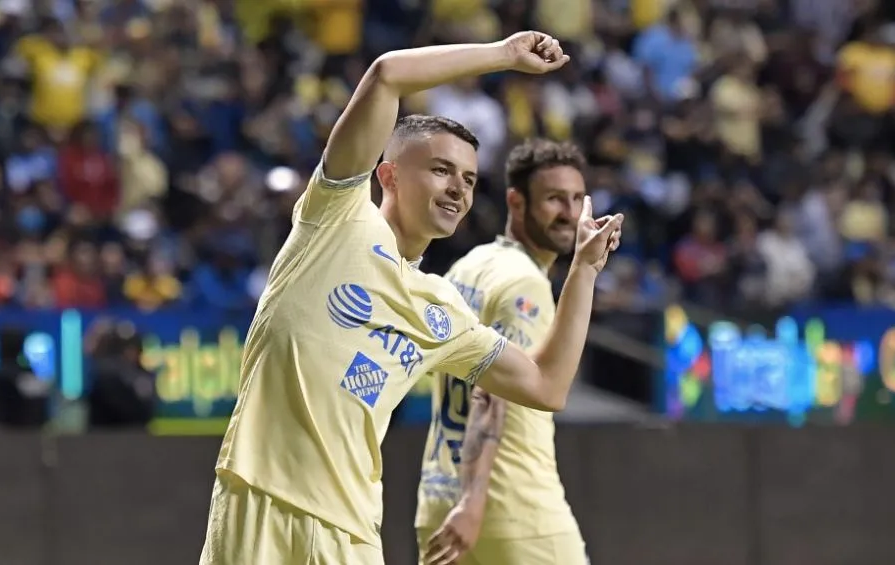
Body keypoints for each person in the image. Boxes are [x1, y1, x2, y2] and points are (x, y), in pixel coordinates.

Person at [199, 32, 624, 565]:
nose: (459, 190)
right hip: (260, 500)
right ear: (389, 175)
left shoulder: (440, 309)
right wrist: (502, 56)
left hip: (351, 533)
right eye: (441, 170)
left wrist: (583, 271)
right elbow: (386, 75)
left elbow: (546, 385)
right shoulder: (337, 219)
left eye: (469, 179)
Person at [416, 139, 591, 565]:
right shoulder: (524, 285)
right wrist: (473, 502)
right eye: (554, 199)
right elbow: (492, 395)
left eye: (577, 199)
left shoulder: (468, 266)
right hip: (513, 510)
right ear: (516, 202)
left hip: (439, 500)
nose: (569, 213)